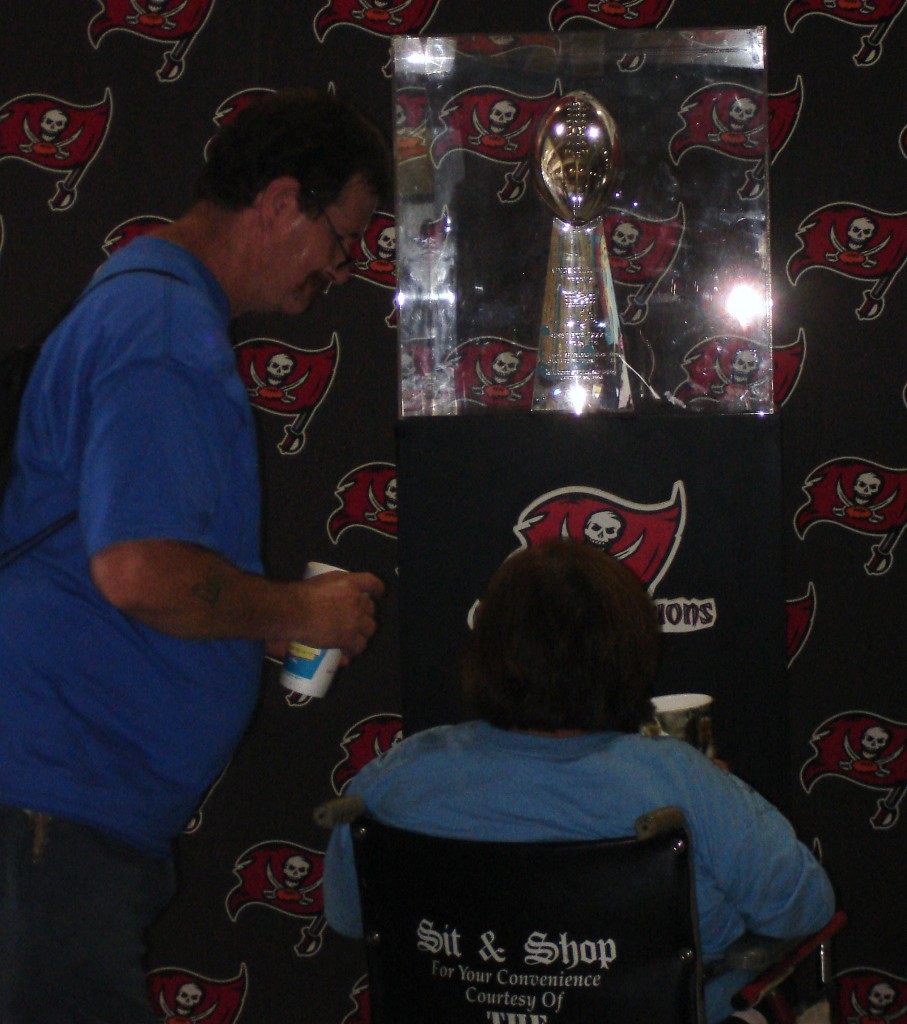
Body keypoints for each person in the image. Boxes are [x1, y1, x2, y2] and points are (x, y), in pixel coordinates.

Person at [0, 89, 390, 1023]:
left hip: (65, 800)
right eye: (343, 237)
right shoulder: (165, 331)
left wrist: (242, 621)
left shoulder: (149, 303)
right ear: (280, 202)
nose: (342, 269)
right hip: (56, 796)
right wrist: (301, 614)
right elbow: (135, 572)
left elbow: (138, 560)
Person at [323, 539, 835, 1024]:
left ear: (485, 651)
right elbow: (805, 909)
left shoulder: (392, 781)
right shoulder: (681, 783)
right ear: (627, 657)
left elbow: (352, 919)